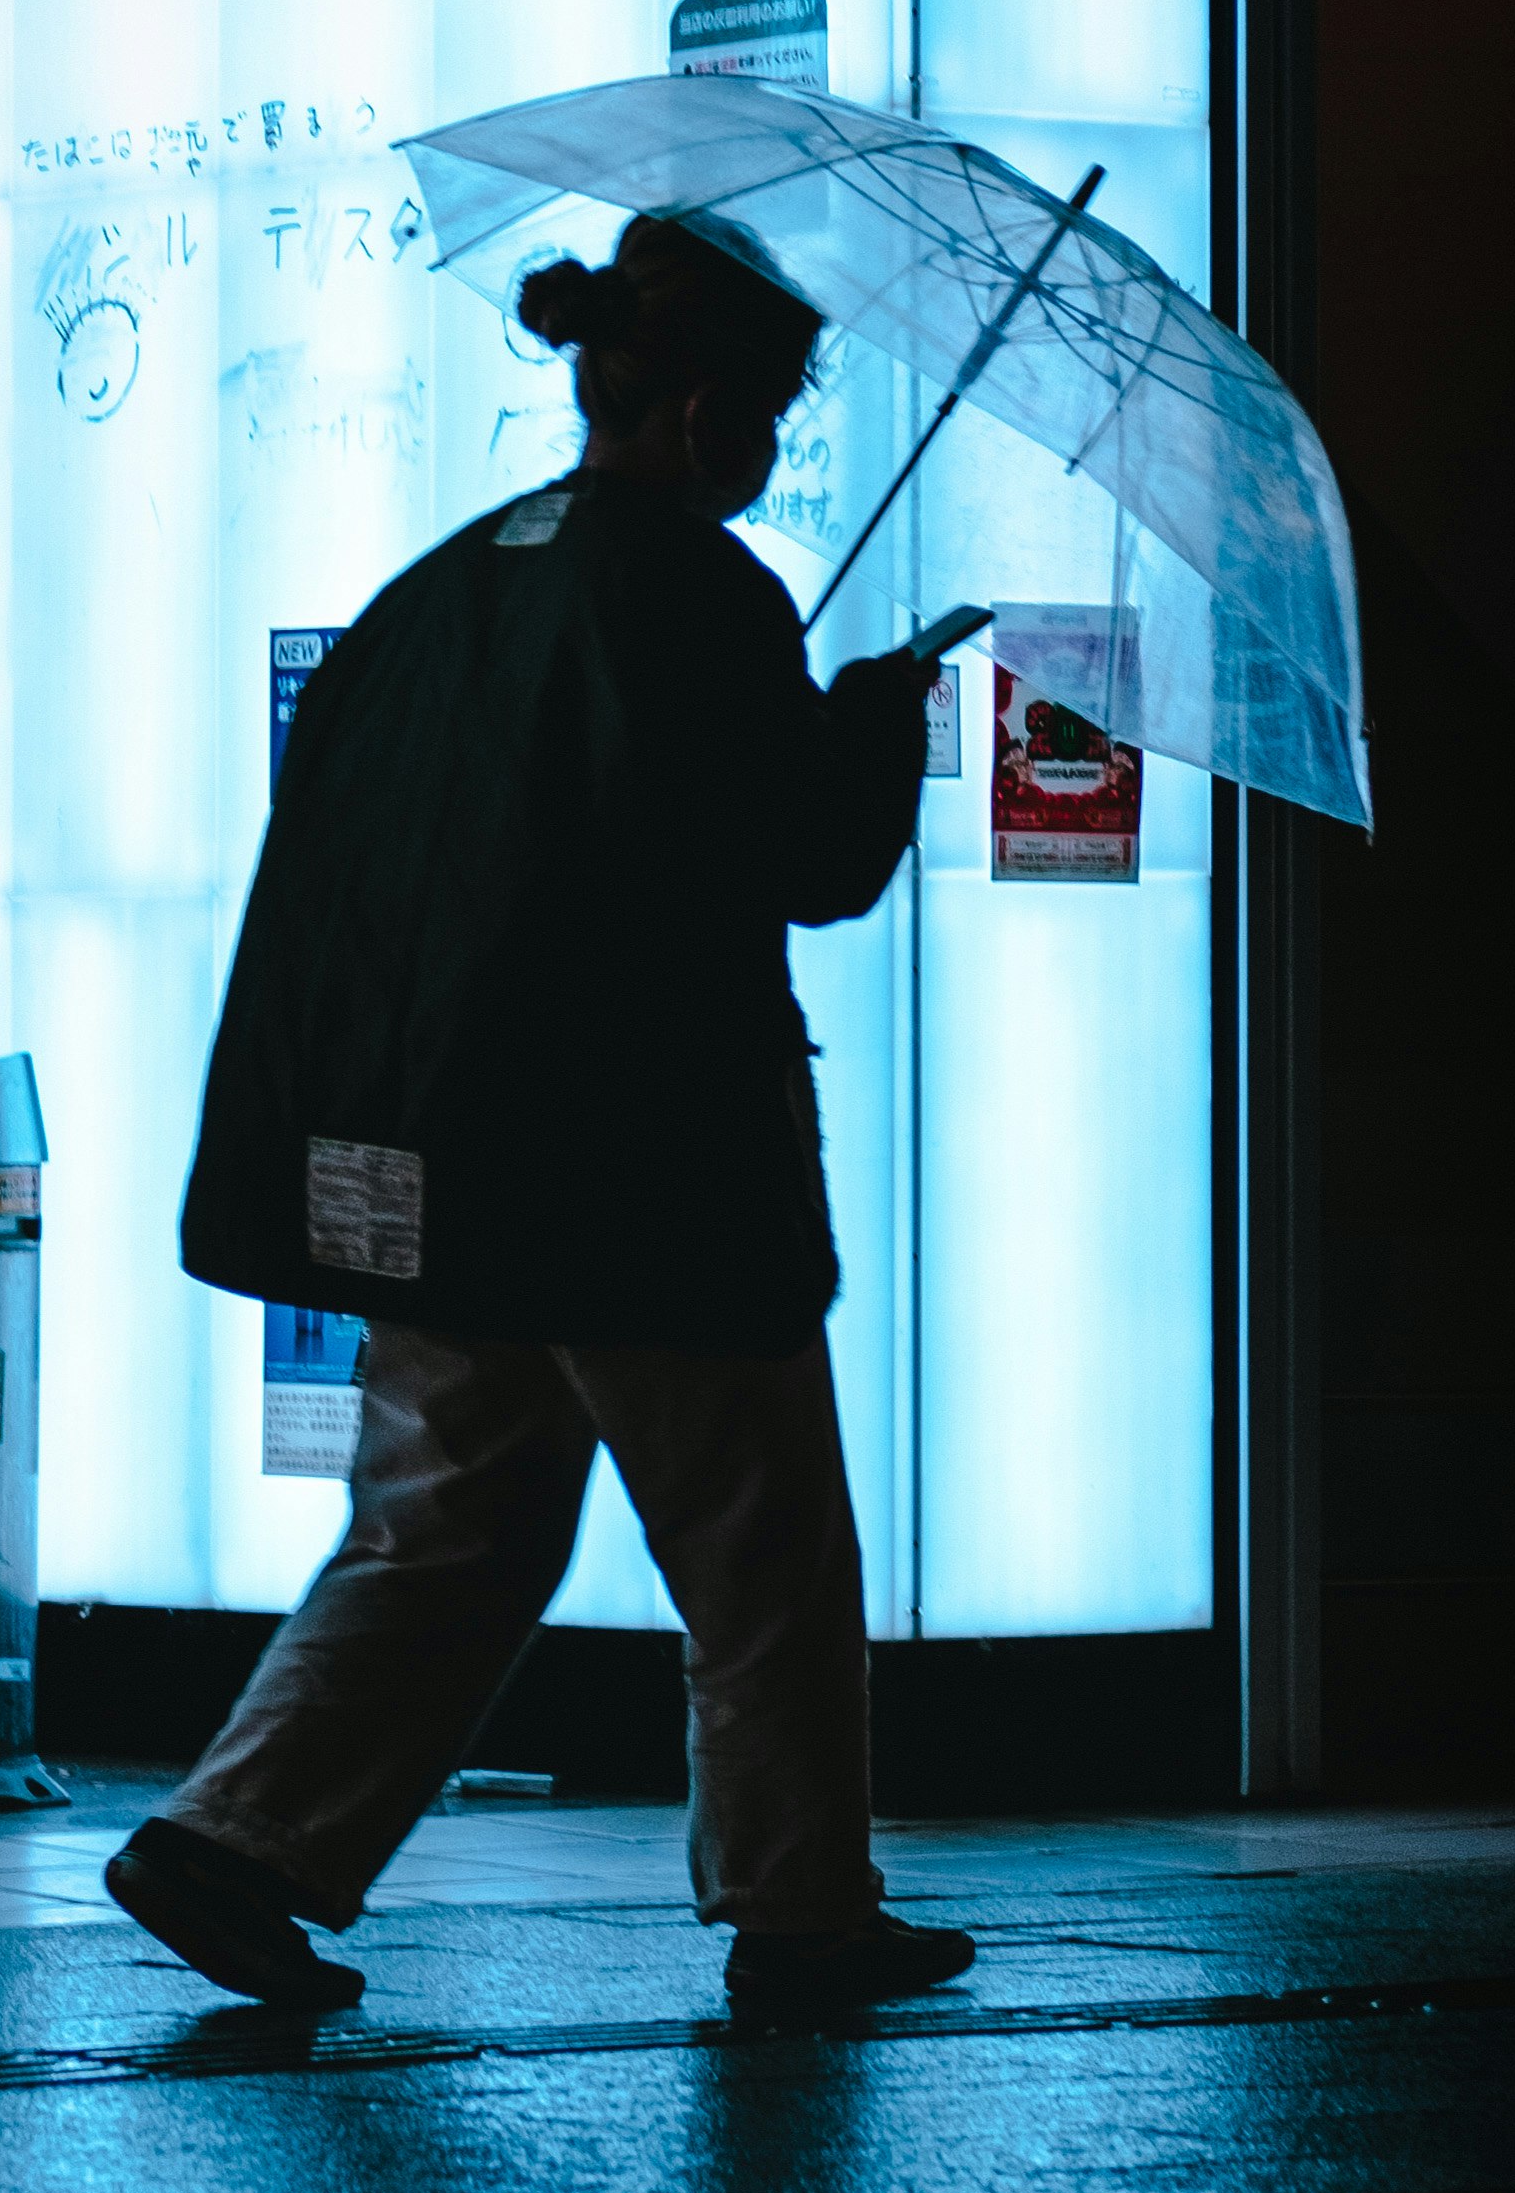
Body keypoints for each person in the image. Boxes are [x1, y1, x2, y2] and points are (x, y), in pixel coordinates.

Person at [110, 209, 977, 2020]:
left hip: (438, 1171)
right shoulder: (693, 587)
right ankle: (799, 1906)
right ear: (703, 407)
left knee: (447, 1528)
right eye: (774, 414)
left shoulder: (454, 581)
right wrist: (879, 718)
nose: (773, 451)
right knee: (763, 1554)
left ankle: (233, 1837)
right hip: (640, 1181)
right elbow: (805, 863)